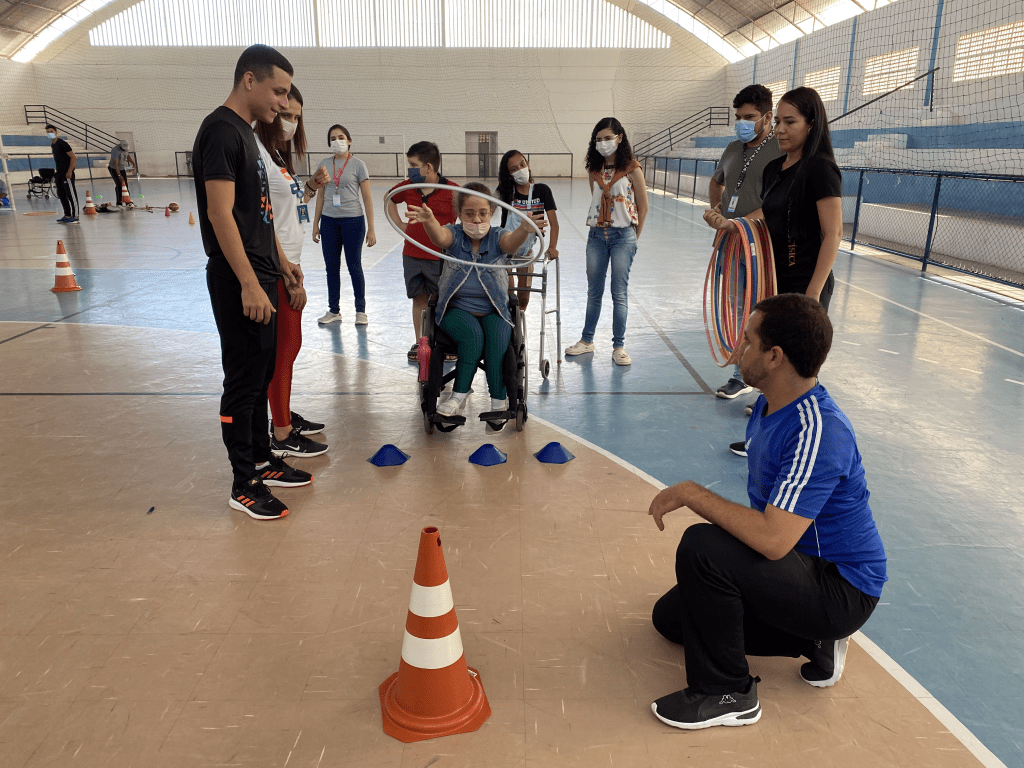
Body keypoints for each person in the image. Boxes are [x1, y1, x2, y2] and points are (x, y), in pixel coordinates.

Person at [647, 293, 886, 731]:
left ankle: (728, 693)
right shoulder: (768, 404)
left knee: (702, 547)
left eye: (747, 341)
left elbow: (773, 541)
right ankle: (813, 639)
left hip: (839, 586)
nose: (738, 349)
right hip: (800, 562)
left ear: (774, 357)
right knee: (671, 619)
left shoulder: (818, 431)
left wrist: (692, 494)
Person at [192, 44, 310, 521]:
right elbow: (220, 213)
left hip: (263, 272)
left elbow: (258, 213)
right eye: (278, 91)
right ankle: (243, 483)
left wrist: (280, 262)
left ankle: (263, 460)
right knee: (242, 383)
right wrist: (247, 282)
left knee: (261, 375)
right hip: (238, 279)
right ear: (249, 80)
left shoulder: (246, 134)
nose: (282, 103)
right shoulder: (221, 131)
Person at [704, 87, 842, 458]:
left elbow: (833, 233)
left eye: (789, 122)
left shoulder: (820, 169)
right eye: (778, 121)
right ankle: (762, 442)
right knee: (769, 366)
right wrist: (733, 225)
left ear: (811, 124)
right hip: (774, 279)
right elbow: (766, 214)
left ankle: (801, 447)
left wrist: (812, 294)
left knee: (795, 373)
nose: (780, 129)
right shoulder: (774, 169)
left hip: (805, 282)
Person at [407, 181, 544, 424]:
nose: (477, 219)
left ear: (491, 213)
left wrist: (524, 229)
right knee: (472, 335)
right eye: (469, 213)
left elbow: (512, 243)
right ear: (460, 214)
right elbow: (440, 237)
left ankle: (498, 401)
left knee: (498, 339)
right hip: (456, 310)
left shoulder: (498, 237)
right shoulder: (455, 235)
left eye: (483, 213)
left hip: (495, 310)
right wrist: (429, 221)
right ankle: (459, 395)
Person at [254, 84, 332, 460]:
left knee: (291, 344)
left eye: (297, 117)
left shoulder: (276, 156)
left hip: (290, 263)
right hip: (277, 266)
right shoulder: (257, 154)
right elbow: (262, 221)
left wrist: (311, 187)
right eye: (286, 114)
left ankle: (281, 415)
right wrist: (285, 271)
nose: (290, 122)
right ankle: (281, 432)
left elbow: (291, 206)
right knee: (284, 347)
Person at [708, 84, 784, 400]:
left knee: (763, 311)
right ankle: (742, 375)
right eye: (738, 117)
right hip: (731, 244)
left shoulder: (779, 149)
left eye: (749, 117)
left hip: (762, 246)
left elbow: (777, 201)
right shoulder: (731, 149)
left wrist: (740, 223)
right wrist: (718, 211)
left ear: (767, 117)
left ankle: (769, 381)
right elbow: (716, 182)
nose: (742, 123)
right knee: (738, 309)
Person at [564, 117, 648, 366]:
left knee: (619, 293)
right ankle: (586, 340)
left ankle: (619, 346)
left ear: (619, 138)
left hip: (623, 237)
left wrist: (633, 238)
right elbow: (598, 201)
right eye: (598, 139)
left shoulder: (632, 168)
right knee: (594, 292)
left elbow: (642, 207)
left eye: (608, 138)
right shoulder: (595, 171)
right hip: (597, 236)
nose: (603, 143)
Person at [386, 141, 459, 361]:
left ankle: (446, 342)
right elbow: (389, 198)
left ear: (428, 167)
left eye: (413, 165)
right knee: (419, 300)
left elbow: (467, 213)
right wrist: (401, 225)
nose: (410, 170)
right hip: (412, 255)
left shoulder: (452, 191)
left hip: (440, 257)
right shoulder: (408, 187)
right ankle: (421, 342)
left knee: (443, 300)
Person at [312, 124, 375, 326]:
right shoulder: (324, 164)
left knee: (354, 266)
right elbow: (320, 196)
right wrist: (316, 224)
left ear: (349, 141)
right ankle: (334, 310)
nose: (337, 141)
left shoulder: (358, 165)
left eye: (340, 137)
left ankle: (360, 311)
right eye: (333, 138)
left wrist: (371, 228)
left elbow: (367, 198)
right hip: (329, 222)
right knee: (331, 268)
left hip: (353, 221)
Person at [496, 150, 559, 309]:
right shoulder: (505, 191)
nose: (520, 169)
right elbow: (487, 208)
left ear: (528, 164)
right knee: (510, 293)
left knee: (523, 297)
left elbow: (554, 224)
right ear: (509, 174)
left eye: (522, 164)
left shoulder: (542, 191)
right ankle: (510, 320)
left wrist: (552, 247)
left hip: (526, 253)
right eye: (514, 169)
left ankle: (520, 317)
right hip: (505, 251)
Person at [46, 124, 79, 223]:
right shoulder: (53, 145)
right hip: (59, 173)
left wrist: (69, 171)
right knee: (61, 194)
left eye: (51, 131)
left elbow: (73, 157)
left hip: (67, 173)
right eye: (48, 132)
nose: (50, 133)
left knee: (71, 195)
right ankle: (67, 215)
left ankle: (75, 216)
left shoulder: (62, 143)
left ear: (56, 132)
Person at [108, 139, 137, 207]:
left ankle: (128, 201)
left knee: (125, 184)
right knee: (119, 185)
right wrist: (119, 175)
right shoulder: (115, 150)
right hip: (114, 169)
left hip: (121, 168)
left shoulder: (126, 149)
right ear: (120, 145)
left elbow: (128, 156)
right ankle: (119, 203)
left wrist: (133, 164)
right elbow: (116, 164)